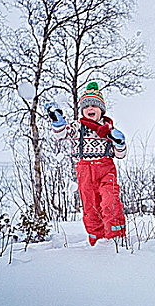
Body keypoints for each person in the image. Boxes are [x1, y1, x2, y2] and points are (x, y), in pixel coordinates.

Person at [45, 82, 127, 246]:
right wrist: (57, 121)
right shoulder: (77, 127)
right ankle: (97, 242)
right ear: (82, 110)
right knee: (90, 208)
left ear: (101, 110)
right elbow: (60, 135)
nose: (90, 108)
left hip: (106, 169)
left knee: (110, 202)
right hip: (85, 171)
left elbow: (120, 155)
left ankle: (116, 238)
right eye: (86, 105)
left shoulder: (108, 129)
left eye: (94, 106)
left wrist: (120, 143)